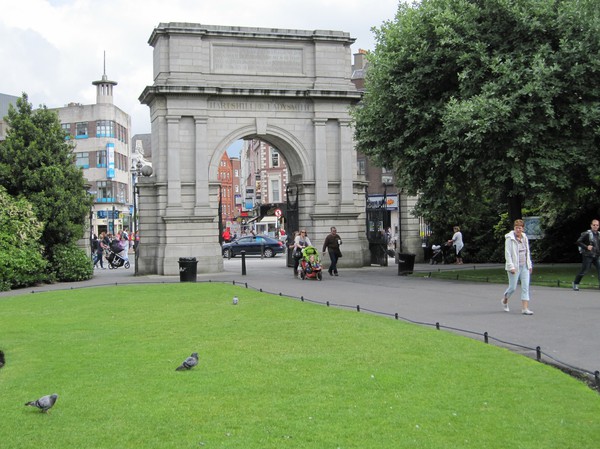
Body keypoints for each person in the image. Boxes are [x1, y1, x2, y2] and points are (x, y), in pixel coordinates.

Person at [502, 219, 533, 315]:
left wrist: (529, 265)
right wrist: (511, 266)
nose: (518, 230)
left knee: (525, 287)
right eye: (516, 228)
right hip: (515, 266)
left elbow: (527, 252)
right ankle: (505, 299)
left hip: (525, 266)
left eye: (520, 228)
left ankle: (525, 308)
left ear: (523, 229)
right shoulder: (509, 239)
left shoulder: (525, 238)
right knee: (513, 287)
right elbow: (507, 254)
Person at [572, 219, 600, 291]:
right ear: (591, 225)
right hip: (588, 255)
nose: (595, 226)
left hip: (597, 255)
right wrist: (586, 247)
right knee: (584, 271)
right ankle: (575, 283)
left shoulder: (599, 234)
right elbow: (578, 242)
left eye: (597, 225)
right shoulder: (586, 233)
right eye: (594, 225)